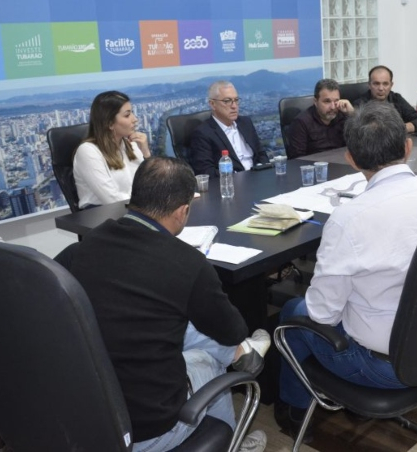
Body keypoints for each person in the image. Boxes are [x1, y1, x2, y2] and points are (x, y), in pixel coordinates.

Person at [55, 157, 270, 452]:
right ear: (183, 211)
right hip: (148, 429)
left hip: (86, 414)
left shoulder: (80, 249)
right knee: (209, 360)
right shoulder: (188, 263)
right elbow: (233, 330)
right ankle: (233, 444)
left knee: (181, 323)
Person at [275, 102, 417, 439]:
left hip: (385, 367)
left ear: (352, 159)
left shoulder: (349, 219)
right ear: (408, 147)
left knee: (292, 313)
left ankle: (294, 413)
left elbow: (322, 314)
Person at [73, 91, 150, 209]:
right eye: (127, 115)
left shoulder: (132, 144)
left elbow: (152, 184)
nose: (135, 119)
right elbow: (111, 199)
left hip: (135, 208)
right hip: (103, 213)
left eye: (132, 113)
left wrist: (146, 153)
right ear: (109, 123)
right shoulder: (88, 151)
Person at [189, 80, 268, 177]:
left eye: (236, 100)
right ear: (213, 104)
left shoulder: (246, 122)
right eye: (227, 101)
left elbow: (261, 153)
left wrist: (262, 171)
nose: (234, 106)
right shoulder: (203, 133)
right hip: (232, 181)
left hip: (258, 177)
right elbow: (205, 171)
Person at [286, 79, 354, 159]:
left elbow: (361, 145)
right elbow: (297, 159)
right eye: (327, 101)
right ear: (315, 101)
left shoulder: (344, 116)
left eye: (336, 101)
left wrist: (352, 114)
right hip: (316, 165)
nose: (333, 107)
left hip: (342, 163)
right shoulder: (301, 123)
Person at [354, 65, 417, 133]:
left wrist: (399, 129)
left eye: (385, 84)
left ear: (391, 85)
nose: (381, 88)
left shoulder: (397, 99)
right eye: (376, 84)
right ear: (369, 85)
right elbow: (359, 130)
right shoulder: (360, 104)